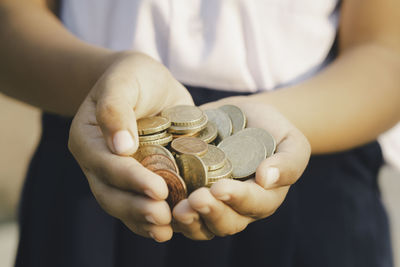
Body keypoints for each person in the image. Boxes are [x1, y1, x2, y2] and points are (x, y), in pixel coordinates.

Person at [1, 0, 399, 266]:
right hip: (98, 157)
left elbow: (387, 53)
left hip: (307, 170)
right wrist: (105, 85)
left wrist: (267, 123)